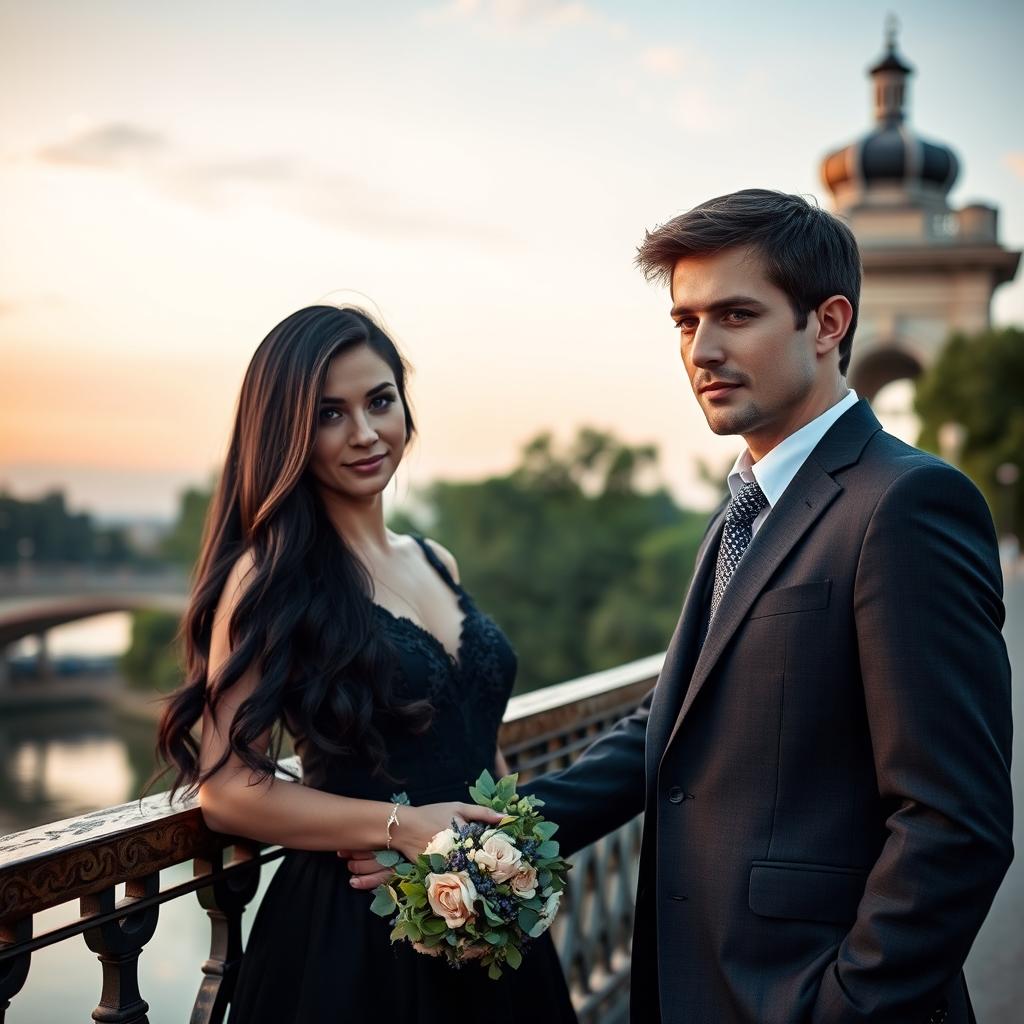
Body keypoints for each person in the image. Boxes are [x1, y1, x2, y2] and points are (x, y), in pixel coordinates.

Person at [349, 189, 1013, 1023]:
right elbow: (671, 720)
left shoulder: (908, 504)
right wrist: (483, 834)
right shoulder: (749, 500)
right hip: (699, 984)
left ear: (829, 322)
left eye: (736, 314)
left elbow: (956, 821)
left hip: (807, 993)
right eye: (685, 322)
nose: (703, 349)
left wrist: (845, 1006)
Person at [156, 305, 577, 1024]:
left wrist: (519, 870)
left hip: (488, 911)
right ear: (287, 433)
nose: (364, 433)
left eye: (379, 401)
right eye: (329, 414)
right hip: (358, 929)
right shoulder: (271, 578)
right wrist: (401, 828)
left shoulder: (432, 559)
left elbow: (477, 740)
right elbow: (227, 791)